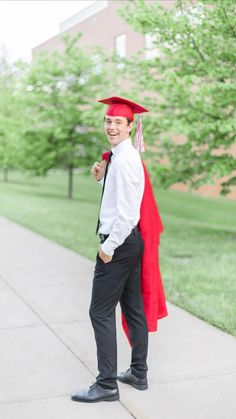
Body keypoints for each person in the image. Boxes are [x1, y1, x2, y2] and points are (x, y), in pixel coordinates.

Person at [71, 96, 150, 403]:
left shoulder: (127, 159)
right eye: (108, 121)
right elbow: (118, 198)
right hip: (127, 243)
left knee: (100, 312)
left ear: (131, 126)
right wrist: (101, 180)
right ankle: (138, 373)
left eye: (118, 122)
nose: (112, 126)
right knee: (132, 309)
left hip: (119, 243)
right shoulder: (118, 157)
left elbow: (128, 213)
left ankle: (106, 384)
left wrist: (108, 247)